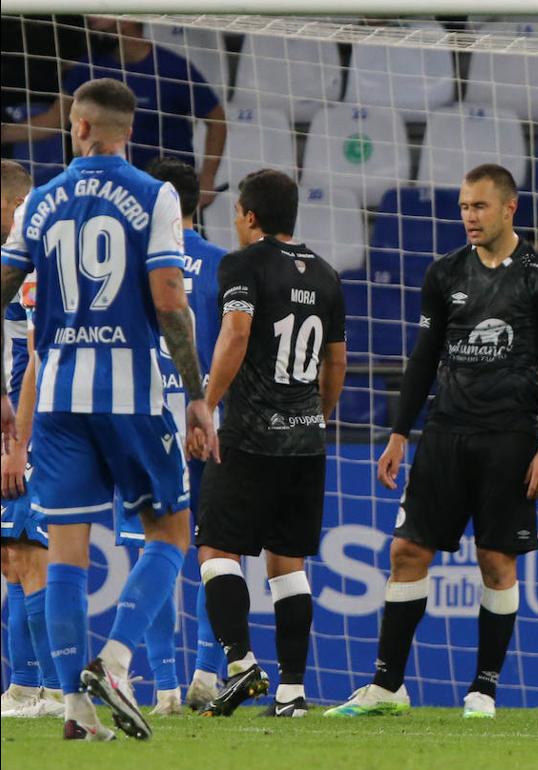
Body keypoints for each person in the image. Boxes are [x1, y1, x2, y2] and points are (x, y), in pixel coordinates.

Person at [0, 77, 217, 742]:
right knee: (172, 532)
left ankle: (76, 709)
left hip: (56, 394)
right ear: (125, 130)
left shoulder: (35, 202)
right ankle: (116, 664)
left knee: (65, 553)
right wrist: (198, 396)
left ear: (82, 126)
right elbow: (169, 300)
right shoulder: (155, 196)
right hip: (128, 391)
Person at [324, 164, 538, 720]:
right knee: (406, 550)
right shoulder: (444, 273)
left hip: (510, 437)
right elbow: (422, 358)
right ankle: (387, 687)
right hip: (444, 432)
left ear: (509, 208)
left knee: (495, 561)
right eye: (464, 206)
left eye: (479, 206)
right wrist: (397, 434)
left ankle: (483, 689)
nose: (469, 216)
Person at [194, 169, 347, 719]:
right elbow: (337, 360)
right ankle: (293, 693)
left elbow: (235, 333)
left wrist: (206, 405)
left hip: (251, 436)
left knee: (215, 549)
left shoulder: (243, 264)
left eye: (237, 213)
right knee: (289, 563)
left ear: (251, 217)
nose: (236, 222)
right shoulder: (327, 274)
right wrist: (318, 416)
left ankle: (240, 665)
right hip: (306, 441)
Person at [104, 157, 228, 716]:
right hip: (210, 424)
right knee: (215, 550)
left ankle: (168, 689)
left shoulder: (133, 266)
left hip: (148, 425)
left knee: (152, 550)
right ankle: (207, 673)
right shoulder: (226, 265)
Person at [0, 16, 225, 207]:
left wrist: (207, 176)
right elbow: (51, 122)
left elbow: (217, 120)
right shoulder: (88, 68)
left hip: (166, 190)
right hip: (109, 193)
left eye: (99, 15)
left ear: (126, 18)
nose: (90, 21)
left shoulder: (172, 69)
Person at [0, 159, 63, 720]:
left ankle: (55, 689)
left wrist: (22, 441)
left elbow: (38, 360)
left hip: (42, 427)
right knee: (15, 555)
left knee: (35, 555)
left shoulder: (34, 250)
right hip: (23, 424)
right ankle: (24, 688)